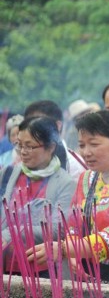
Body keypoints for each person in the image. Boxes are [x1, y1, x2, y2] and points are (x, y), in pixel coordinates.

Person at [27, 111, 109, 283]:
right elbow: (74, 223)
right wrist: (73, 252)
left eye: (94, 144)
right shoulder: (87, 179)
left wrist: (66, 249)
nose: (86, 152)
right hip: (88, 279)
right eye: (82, 145)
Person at [1, 116, 75, 271]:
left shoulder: (65, 183)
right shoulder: (7, 174)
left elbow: (57, 229)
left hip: (41, 271)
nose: (23, 152)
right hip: (5, 266)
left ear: (51, 147)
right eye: (19, 145)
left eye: (29, 146)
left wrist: (12, 232)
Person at [24, 100, 87, 180]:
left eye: (38, 125)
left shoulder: (74, 167)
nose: (30, 131)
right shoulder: (23, 161)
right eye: (27, 125)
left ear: (57, 126)